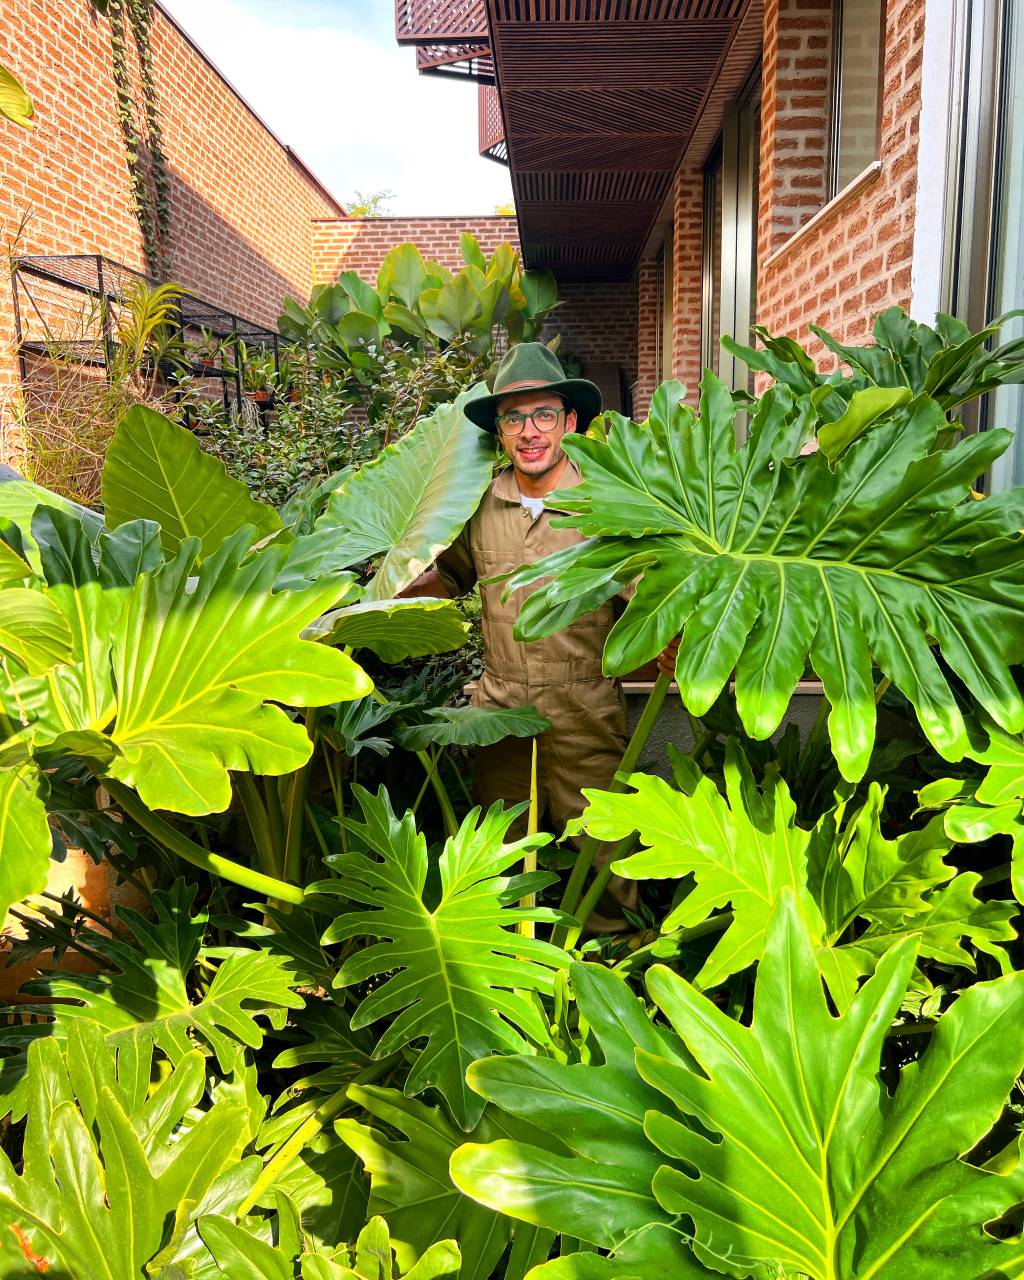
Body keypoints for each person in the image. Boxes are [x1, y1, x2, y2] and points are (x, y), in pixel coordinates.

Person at [408, 342, 669, 922]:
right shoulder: (478, 505)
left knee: (603, 861)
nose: (530, 431)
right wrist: (377, 604)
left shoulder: (605, 504)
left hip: (585, 707)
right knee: (500, 861)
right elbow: (448, 576)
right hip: (500, 706)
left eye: (543, 414)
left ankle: (605, 973)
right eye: (514, 417)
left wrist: (679, 643)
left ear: (569, 422)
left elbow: (653, 599)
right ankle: (510, 983)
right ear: (499, 431)